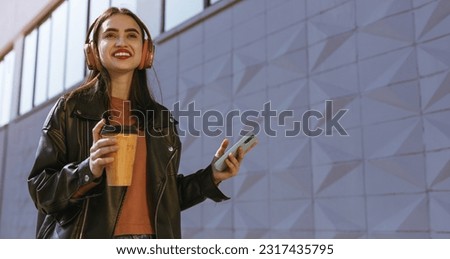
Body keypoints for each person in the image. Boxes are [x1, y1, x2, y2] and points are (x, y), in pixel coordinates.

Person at [27, 7, 255, 239]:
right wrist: (88, 169)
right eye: (110, 35)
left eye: (132, 35)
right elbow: (41, 191)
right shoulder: (69, 109)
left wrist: (213, 175)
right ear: (93, 51)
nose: (121, 41)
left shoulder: (160, 119)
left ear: (145, 52)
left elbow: (165, 197)